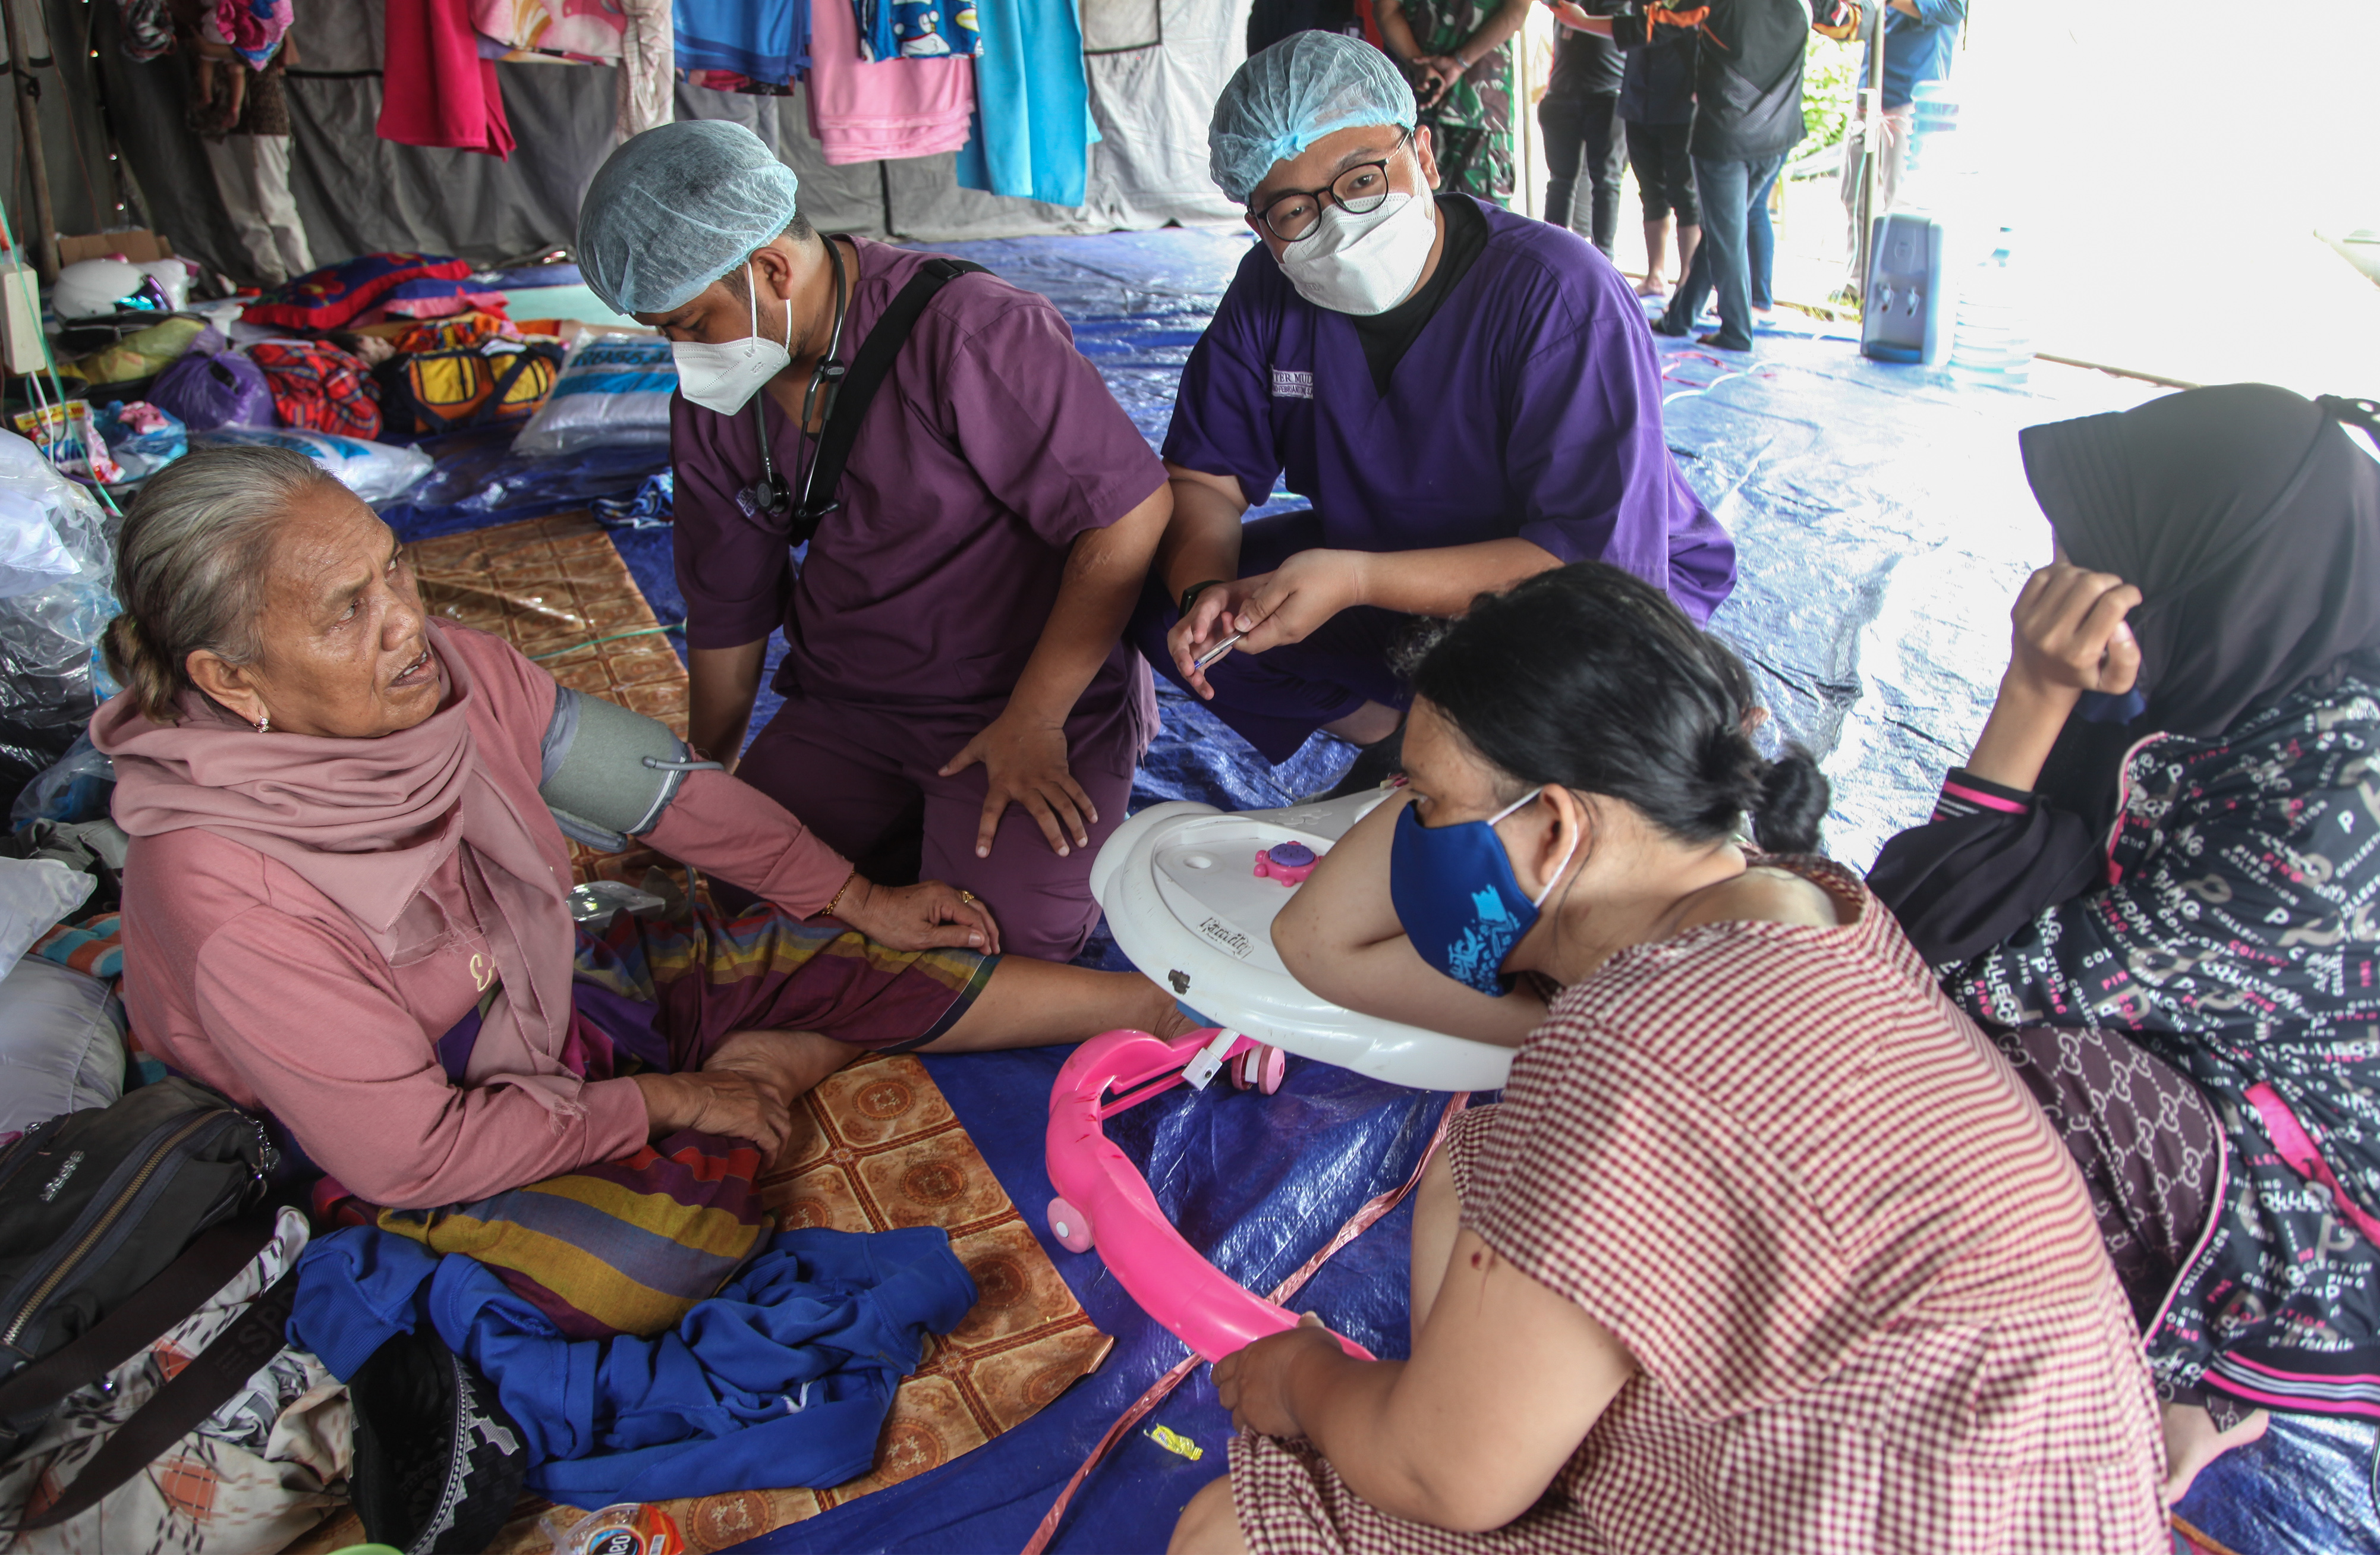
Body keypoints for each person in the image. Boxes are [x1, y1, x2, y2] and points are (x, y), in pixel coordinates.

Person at [1164, 562, 2168, 1554]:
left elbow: (1443, 1474)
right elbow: (1321, 940)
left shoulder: (1627, 1045)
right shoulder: (1808, 910)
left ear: (1556, 824)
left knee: (1227, 1532)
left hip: (1862, 1513)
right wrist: (1487, 734)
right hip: (2041, 1501)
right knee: (1475, 1171)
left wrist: (1299, 1380)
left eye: (1420, 802)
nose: (1406, 824)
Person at [91, 446, 1188, 1217]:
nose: (407, 623)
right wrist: (658, 1102)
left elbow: (663, 793)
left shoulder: (455, 675)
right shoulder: (232, 895)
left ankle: (1176, 1005)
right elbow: (412, 1155)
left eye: (395, 568)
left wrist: (857, 897)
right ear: (230, 681)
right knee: (641, 1260)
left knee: (830, 939)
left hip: (530, 992)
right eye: (347, 610)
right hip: (361, 1128)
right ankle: (727, 1069)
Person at [1868, 386, 2380, 1500]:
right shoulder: (2240, 680)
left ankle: (2205, 1376)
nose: (2061, 590)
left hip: (2320, 1225)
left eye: (2100, 561)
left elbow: (1941, 973)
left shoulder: (2338, 806)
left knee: (1990, 1083)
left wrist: (2030, 692)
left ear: (2215, 567)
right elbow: (1954, 912)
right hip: (2220, 1076)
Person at [575, 120, 1169, 963]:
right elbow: (727, 608)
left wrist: (1037, 722)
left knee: (994, 947)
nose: (683, 355)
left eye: (687, 323)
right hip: (855, 701)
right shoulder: (720, 401)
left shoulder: (968, 333)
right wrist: (701, 789)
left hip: (1019, 700)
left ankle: (953, 841)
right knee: (746, 881)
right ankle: (911, 840)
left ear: (773, 270)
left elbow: (1128, 515)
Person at [1135, 33, 1734, 785]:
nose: (1337, 223)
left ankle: (1471, 742)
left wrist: (1356, 581)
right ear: (1259, 227)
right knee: (1164, 609)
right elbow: (1204, 477)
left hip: (1584, 596)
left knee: (1581, 719)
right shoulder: (1269, 289)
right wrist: (1203, 592)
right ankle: (1395, 734)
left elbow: (1589, 562)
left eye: (1360, 181)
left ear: (1422, 154)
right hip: (1383, 560)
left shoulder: (1557, 294)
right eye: (1293, 210)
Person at [1629, 0, 1805, 351]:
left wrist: (1582, 20)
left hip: (1726, 134)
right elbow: (1854, 22)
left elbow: (1650, 25)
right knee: (1722, 228)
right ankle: (1682, 316)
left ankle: (1736, 330)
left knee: (1726, 234)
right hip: (1778, 134)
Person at [1838, 0, 1966, 289]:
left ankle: (1892, 288)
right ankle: (1857, 283)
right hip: (1870, 89)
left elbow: (1952, 9)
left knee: (1901, 201)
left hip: (1913, 96)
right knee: (1853, 193)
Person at [1374, 0, 1531, 203]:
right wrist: (1460, 62)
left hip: (1417, 96)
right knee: (1483, 218)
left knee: (1415, 210)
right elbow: (1516, 12)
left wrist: (1417, 62)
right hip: (1483, 100)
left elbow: (1385, 11)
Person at [1614, 2, 1698, 297]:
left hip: (1682, 103)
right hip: (1638, 98)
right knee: (1650, 192)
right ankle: (1655, 276)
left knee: (1685, 194)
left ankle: (1688, 283)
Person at [1534, 4, 1625, 258]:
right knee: (1561, 181)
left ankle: (1604, 260)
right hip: (1562, 96)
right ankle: (1552, 255)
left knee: (1606, 181)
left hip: (1608, 97)